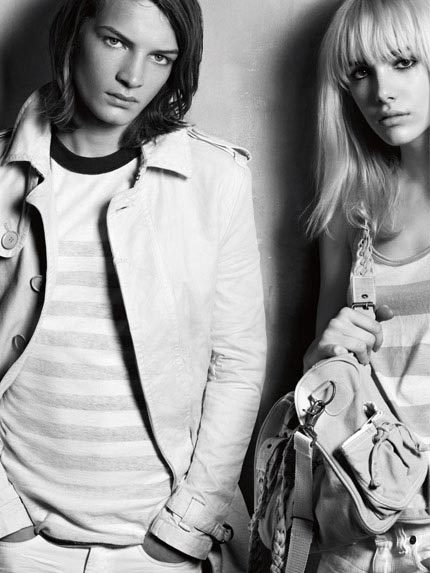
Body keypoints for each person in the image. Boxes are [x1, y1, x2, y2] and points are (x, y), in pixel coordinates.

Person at [0, 0, 266, 572]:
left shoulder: (215, 179)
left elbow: (237, 365)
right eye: (116, 41)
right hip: (22, 544)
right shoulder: (4, 175)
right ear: (75, 34)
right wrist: (5, 523)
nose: (133, 77)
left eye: (161, 57)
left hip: (157, 547)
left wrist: (187, 527)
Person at [304, 0, 430, 570]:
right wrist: (325, 351)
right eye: (360, 72)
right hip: (363, 535)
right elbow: (317, 380)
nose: (382, 92)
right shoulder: (350, 211)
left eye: (403, 62)